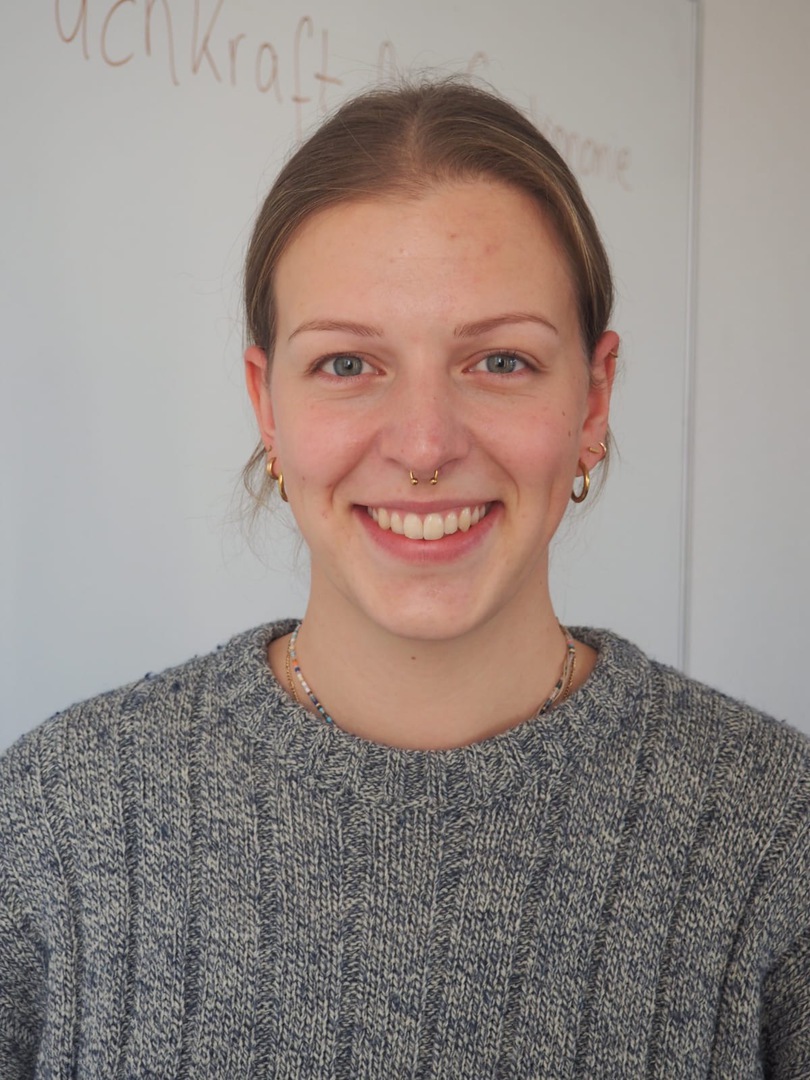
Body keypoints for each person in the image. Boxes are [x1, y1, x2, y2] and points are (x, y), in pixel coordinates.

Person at [1, 79, 808, 1079]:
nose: (425, 446)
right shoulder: (56, 822)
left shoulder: (777, 838)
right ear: (268, 405)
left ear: (594, 398)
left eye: (501, 362)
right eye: (348, 365)